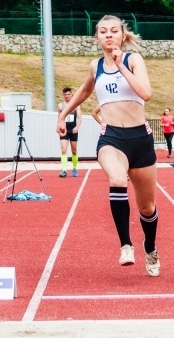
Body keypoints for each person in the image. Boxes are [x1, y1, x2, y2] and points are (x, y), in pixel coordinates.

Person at [56, 15, 160, 277]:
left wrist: (120, 64)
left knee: (147, 207)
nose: (109, 35)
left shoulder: (133, 60)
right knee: (116, 179)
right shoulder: (95, 66)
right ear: (97, 37)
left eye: (114, 31)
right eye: (103, 31)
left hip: (140, 139)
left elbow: (145, 93)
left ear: (122, 36)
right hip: (112, 138)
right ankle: (126, 245)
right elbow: (83, 91)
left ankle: (150, 246)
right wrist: (62, 114)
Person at [57, 87, 82, 177]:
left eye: (68, 94)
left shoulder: (76, 105)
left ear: (71, 95)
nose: (67, 96)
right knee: (63, 150)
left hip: (73, 130)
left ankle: (74, 168)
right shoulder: (60, 106)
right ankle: (64, 170)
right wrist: (58, 127)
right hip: (64, 130)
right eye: (65, 95)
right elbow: (59, 118)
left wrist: (77, 127)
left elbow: (80, 118)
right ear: (63, 96)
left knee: (74, 151)